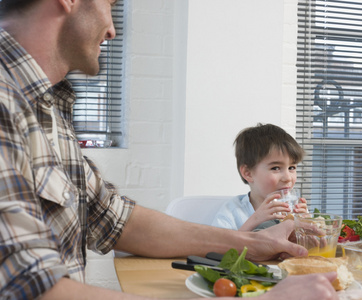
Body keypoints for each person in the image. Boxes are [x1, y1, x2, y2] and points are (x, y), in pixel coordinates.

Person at [0, 1, 339, 299]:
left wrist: (258, 243)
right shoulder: (5, 102)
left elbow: (119, 222)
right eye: (110, 4)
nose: (113, 29)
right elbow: (29, 287)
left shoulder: (46, 108)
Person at [212, 124, 308, 231]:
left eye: (291, 167)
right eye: (275, 168)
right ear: (248, 173)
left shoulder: (294, 209)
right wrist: (255, 220)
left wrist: (306, 226)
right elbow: (219, 247)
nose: (288, 178)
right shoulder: (232, 212)